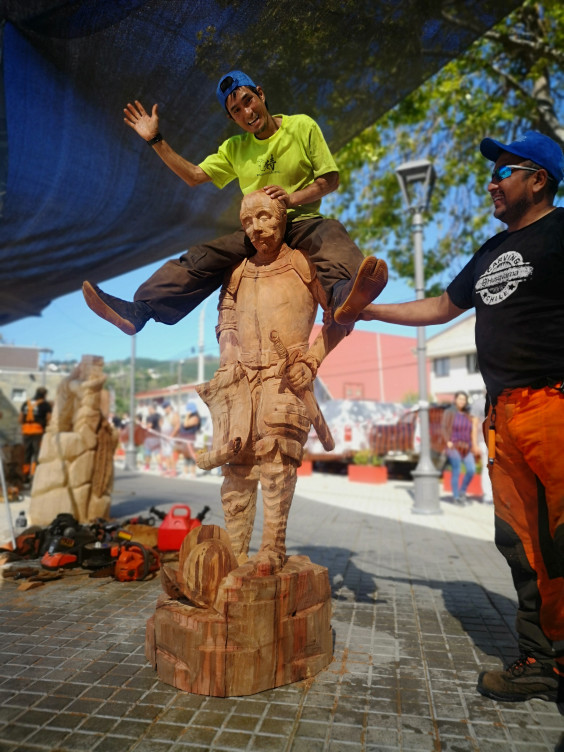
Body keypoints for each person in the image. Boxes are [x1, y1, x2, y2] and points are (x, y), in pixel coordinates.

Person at [357, 130, 564, 708]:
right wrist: (363, 309)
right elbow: (441, 308)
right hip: (503, 417)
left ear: (538, 179)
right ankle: (541, 662)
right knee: (522, 546)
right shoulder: (490, 252)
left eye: (504, 172)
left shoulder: (562, 231)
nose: (492, 182)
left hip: (557, 406)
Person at [82, 70, 387, 335]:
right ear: (232, 118)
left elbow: (329, 180)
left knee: (330, 231)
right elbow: (193, 176)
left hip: (300, 219)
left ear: (261, 95)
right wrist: (155, 139)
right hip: (257, 229)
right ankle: (142, 310)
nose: (246, 112)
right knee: (201, 256)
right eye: (236, 110)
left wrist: (292, 197)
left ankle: (344, 294)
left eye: (248, 101)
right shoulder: (234, 148)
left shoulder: (301, 127)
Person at [198, 189, 347, 573]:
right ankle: (235, 549)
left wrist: (312, 360)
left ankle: (272, 547)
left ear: (282, 218)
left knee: (276, 457)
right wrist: (228, 356)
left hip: (285, 377)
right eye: (248, 221)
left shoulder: (302, 263)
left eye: (264, 217)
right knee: (236, 464)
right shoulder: (237, 271)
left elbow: (340, 318)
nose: (256, 228)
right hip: (241, 378)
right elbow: (226, 318)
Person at [441, 391, 479, 505]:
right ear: (455, 400)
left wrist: (474, 445)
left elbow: (473, 429)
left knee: (471, 469)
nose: (462, 401)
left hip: (467, 446)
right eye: (460, 399)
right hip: (454, 446)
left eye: (464, 399)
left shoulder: (468, 414)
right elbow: (443, 427)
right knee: (456, 470)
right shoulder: (449, 413)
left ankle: (462, 491)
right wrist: (447, 441)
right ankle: (456, 497)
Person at [18, 387, 52, 484]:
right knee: (37, 454)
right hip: (38, 432)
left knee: (26, 455)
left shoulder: (25, 404)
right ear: (45, 395)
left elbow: (20, 419)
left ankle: (25, 476)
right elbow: (49, 419)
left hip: (26, 432)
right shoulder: (45, 405)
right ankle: (35, 475)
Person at [470, 391, 493, 504]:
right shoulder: (479, 403)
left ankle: (495, 495)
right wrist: (474, 444)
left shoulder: (498, 400)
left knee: (496, 468)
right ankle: (488, 495)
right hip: (484, 440)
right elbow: (474, 425)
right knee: (487, 466)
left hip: (496, 439)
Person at [176, 401, 201, 476]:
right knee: (186, 455)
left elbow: (186, 425)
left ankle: (193, 473)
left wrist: (187, 416)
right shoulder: (191, 417)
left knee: (191, 455)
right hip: (184, 438)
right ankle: (185, 472)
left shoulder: (195, 418)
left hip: (190, 438)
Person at [158, 402, 180, 476]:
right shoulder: (164, 416)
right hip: (164, 438)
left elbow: (177, 426)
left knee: (171, 454)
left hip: (171, 438)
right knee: (166, 454)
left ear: (169, 407)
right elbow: (161, 424)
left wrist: (171, 436)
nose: (164, 409)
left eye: (165, 408)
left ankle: (173, 470)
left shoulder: (174, 414)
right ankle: (168, 469)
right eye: (163, 408)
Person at [142, 403, 161, 470]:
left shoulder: (151, 417)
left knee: (147, 452)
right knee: (157, 452)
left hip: (150, 436)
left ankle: (147, 466)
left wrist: (144, 426)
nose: (148, 410)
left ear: (152, 409)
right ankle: (160, 466)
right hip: (158, 436)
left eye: (148, 409)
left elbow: (149, 426)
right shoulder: (159, 416)